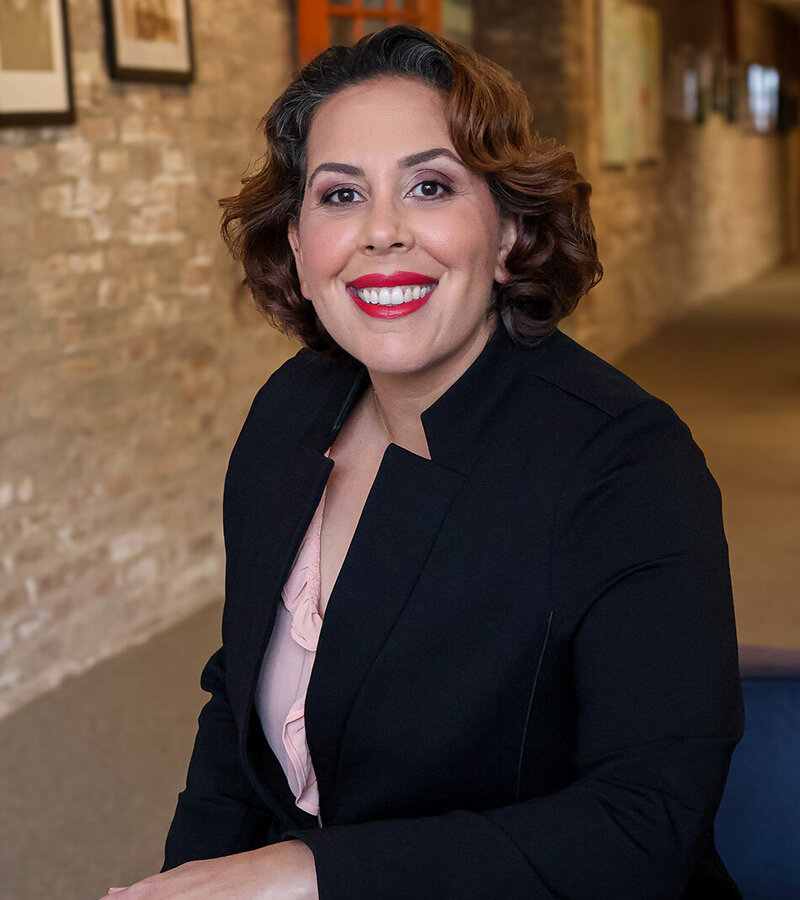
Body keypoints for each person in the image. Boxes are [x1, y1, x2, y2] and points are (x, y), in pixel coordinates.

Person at [102, 25, 744, 899]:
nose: (381, 233)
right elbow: (236, 706)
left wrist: (307, 873)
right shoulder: (289, 416)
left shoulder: (626, 465)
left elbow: (645, 826)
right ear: (297, 244)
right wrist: (184, 880)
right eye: (339, 197)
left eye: (429, 186)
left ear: (511, 232)